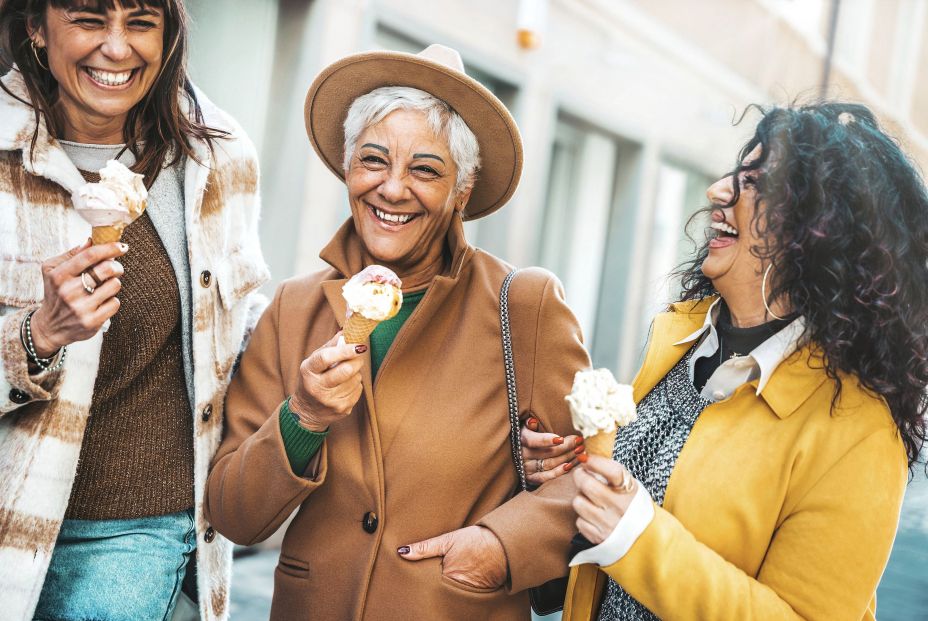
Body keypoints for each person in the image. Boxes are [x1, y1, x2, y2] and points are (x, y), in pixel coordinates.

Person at [204, 44, 587, 620]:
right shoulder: (293, 306)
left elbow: (583, 477)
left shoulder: (524, 305)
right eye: (374, 160)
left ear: (463, 190)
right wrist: (303, 417)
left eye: (426, 170)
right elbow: (233, 513)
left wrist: (500, 548)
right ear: (348, 166)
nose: (392, 188)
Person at [552, 102, 928, 620]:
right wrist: (571, 469)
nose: (718, 191)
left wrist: (638, 538)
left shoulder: (858, 429)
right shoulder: (682, 336)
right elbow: (642, 496)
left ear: (820, 231)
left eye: (754, 183)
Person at [0, 1, 268, 619]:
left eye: (141, 21)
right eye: (89, 19)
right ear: (37, 27)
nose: (117, 49)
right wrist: (37, 336)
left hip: (141, 528)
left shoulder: (216, 156)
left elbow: (240, 333)